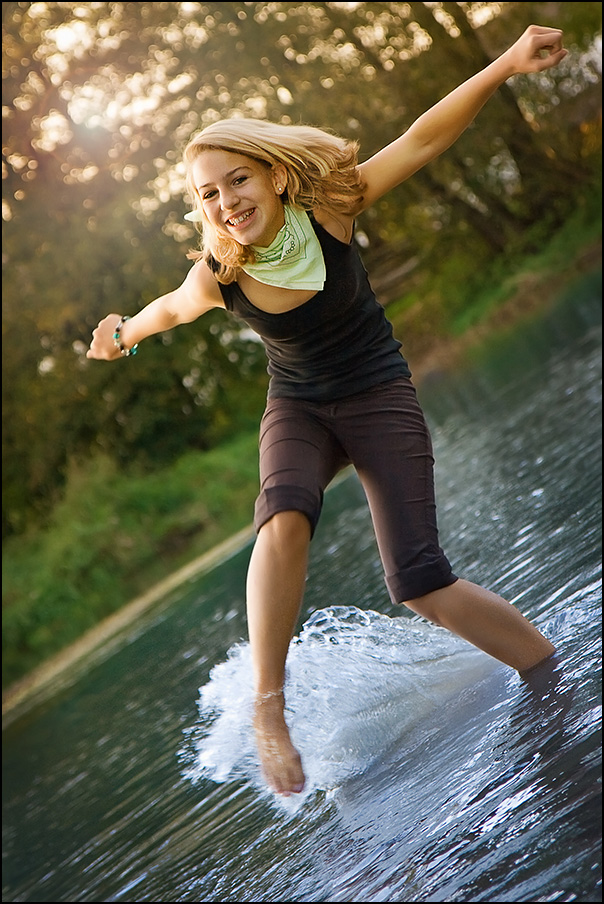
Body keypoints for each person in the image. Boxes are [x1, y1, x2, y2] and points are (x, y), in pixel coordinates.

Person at [87, 25, 568, 797]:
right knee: (283, 513)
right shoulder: (221, 269)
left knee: (419, 581)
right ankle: (267, 709)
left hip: (378, 393)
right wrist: (123, 335)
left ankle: (552, 674)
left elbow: (422, 138)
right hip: (300, 406)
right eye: (209, 193)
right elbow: (169, 311)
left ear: (276, 176)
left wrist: (506, 63)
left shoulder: (333, 212)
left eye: (237, 180)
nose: (226, 202)